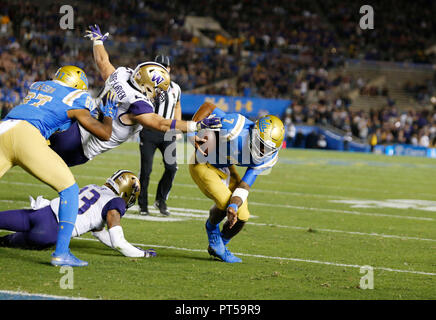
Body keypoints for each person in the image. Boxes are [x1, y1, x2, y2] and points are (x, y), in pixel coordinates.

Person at [48, 25, 221, 167]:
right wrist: (195, 125)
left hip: (70, 125)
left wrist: (98, 41)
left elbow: (103, 62)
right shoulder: (138, 102)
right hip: (79, 146)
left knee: (28, 148)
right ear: (146, 84)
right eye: (158, 89)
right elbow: (161, 124)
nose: (159, 93)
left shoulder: (122, 75)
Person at [0, 65, 117, 267]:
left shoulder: (39, 86)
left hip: (4, 128)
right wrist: (109, 114)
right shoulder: (77, 97)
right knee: (70, 190)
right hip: (27, 135)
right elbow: (104, 134)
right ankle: (61, 253)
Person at [188, 102, 285, 263]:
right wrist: (192, 131)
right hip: (203, 163)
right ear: (254, 133)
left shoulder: (267, 157)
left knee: (242, 215)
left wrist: (234, 206)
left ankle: (219, 245)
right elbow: (208, 107)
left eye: (269, 149)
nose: (264, 152)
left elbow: (245, 185)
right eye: (262, 145)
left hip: (226, 167)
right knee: (224, 201)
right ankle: (212, 228)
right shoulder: (234, 128)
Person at [0, 170, 156, 258]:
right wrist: (142, 254)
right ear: (127, 192)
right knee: (4, 242)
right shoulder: (116, 203)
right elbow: (118, 242)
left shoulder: (93, 187)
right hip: (49, 232)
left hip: (40, 213)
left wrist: (133, 248)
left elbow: (100, 233)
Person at [138, 55, 182, 216]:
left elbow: (177, 106)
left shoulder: (176, 88)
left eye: (165, 66)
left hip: (167, 132)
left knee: (172, 167)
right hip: (149, 131)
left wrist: (177, 126)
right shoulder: (147, 85)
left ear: (169, 69)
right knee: (146, 170)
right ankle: (143, 205)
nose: (163, 68)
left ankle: (160, 200)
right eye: (160, 66)